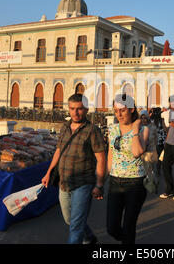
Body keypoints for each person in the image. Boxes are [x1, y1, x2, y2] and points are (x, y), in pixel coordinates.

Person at [41, 94, 106, 244]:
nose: (75, 113)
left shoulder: (92, 130)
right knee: (69, 218)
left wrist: (99, 184)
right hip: (64, 182)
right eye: (72, 109)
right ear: (68, 108)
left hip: (83, 183)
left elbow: (101, 159)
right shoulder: (64, 127)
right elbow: (58, 151)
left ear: (86, 109)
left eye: (79, 109)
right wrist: (48, 172)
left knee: (75, 227)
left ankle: (82, 238)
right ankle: (88, 236)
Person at [106, 94, 149, 244]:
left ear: (131, 109)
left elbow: (137, 152)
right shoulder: (112, 129)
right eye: (116, 110)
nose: (118, 114)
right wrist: (104, 179)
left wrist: (135, 129)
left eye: (122, 110)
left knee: (129, 226)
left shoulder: (143, 130)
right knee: (112, 227)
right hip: (115, 182)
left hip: (135, 184)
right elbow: (111, 153)